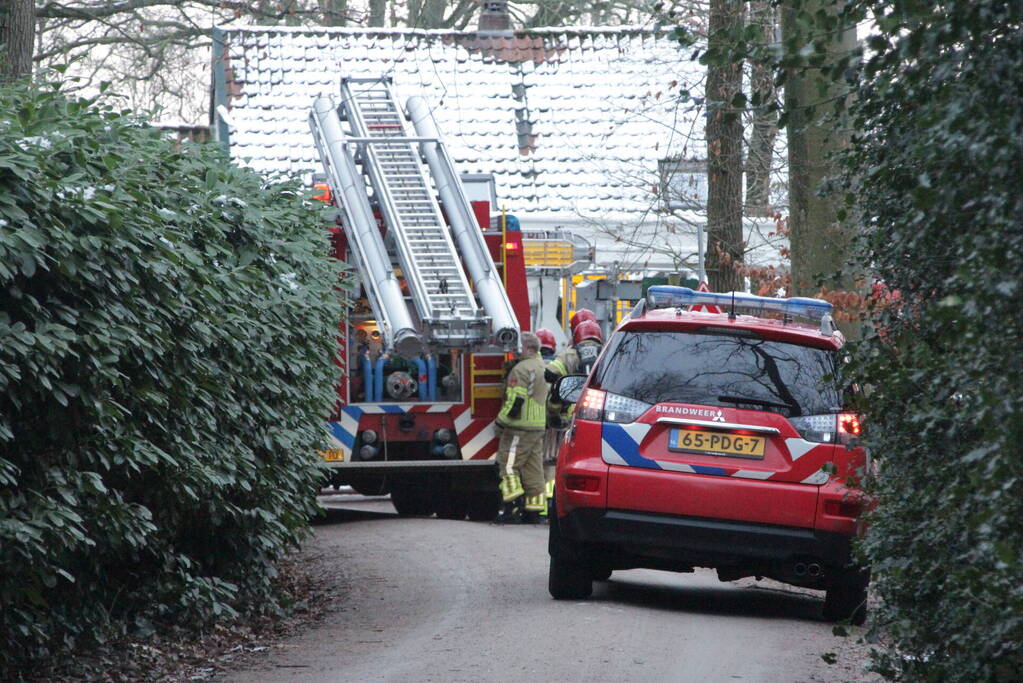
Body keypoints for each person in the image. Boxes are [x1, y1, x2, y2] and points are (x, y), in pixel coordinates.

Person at [495, 331, 549, 524]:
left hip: (519, 427)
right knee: (534, 469)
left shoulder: (521, 370)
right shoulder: (543, 366)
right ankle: (534, 512)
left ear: (527, 348)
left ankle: (511, 507)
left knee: (508, 465)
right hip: (538, 427)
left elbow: (515, 401)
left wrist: (500, 421)